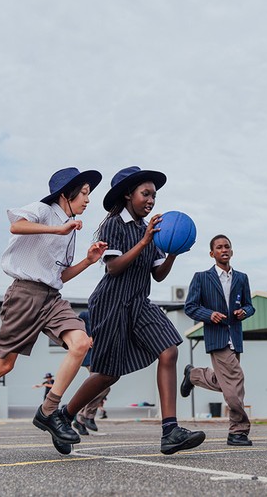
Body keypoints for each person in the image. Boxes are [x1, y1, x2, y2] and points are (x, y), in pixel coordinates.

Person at [0, 167, 107, 455]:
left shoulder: (70, 226)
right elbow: (16, 226)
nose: (88, 201)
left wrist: (89, 261)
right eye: (84, 194)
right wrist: (58, 229)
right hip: (24, 294)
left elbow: (60, 275)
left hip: (52, 297)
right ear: (67, 193)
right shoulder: (43, 209)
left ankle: (49, 411)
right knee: (5, 364)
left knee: (81, 343)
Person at [62, 166, 205, 455]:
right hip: (111, 303)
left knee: (169, 350)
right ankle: (63, 417)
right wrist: (145, 242)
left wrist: (174, 250)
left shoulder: (149, 231)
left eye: (154, 195)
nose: (151, 200)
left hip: (139, 302)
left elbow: (159, 275)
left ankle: (170, 431)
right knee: (107, 374)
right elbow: (113, 267)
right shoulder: (114, 225)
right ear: (128, 194)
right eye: (146, 193)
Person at [180, 234, 255, 446]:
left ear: (231, 251)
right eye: (219, 247)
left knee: (228, 383)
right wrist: (209, 315)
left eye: (227, 247)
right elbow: (190, 307)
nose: (224, 250)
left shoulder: (241, 278)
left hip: (235, 338)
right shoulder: (201, 278)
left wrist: (245, 312)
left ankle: (194, 375)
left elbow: (250, 305)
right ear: (212, 253)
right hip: (216, 337)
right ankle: (238, 430)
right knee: (235, 379)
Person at [72, 311, 111, 436]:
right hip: (90, 356)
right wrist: (86, 337)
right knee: (102, 385)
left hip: (102, 356)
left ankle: (80, 418)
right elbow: (75, 329)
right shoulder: (85, 315)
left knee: (103, 386)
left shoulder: (109, 316)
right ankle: (87, 415)